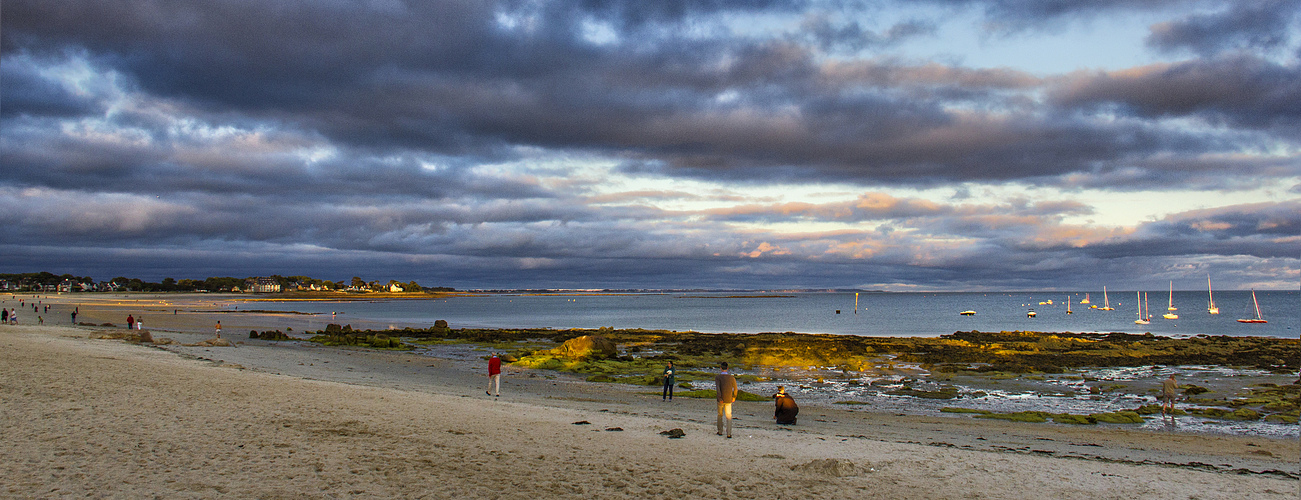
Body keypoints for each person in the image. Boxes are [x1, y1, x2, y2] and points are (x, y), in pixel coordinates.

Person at [715, 361, 738, 438]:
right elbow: (735, 388)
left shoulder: (718, 377)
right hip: (729, 399)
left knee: (720, 415)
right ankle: (729, 433)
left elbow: (718, 389)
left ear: (721, 368)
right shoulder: (732, 378)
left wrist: (719, 397)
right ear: (727, 368)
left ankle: (720, 431)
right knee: (729, 416)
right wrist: (734, 397)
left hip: (721, 399)